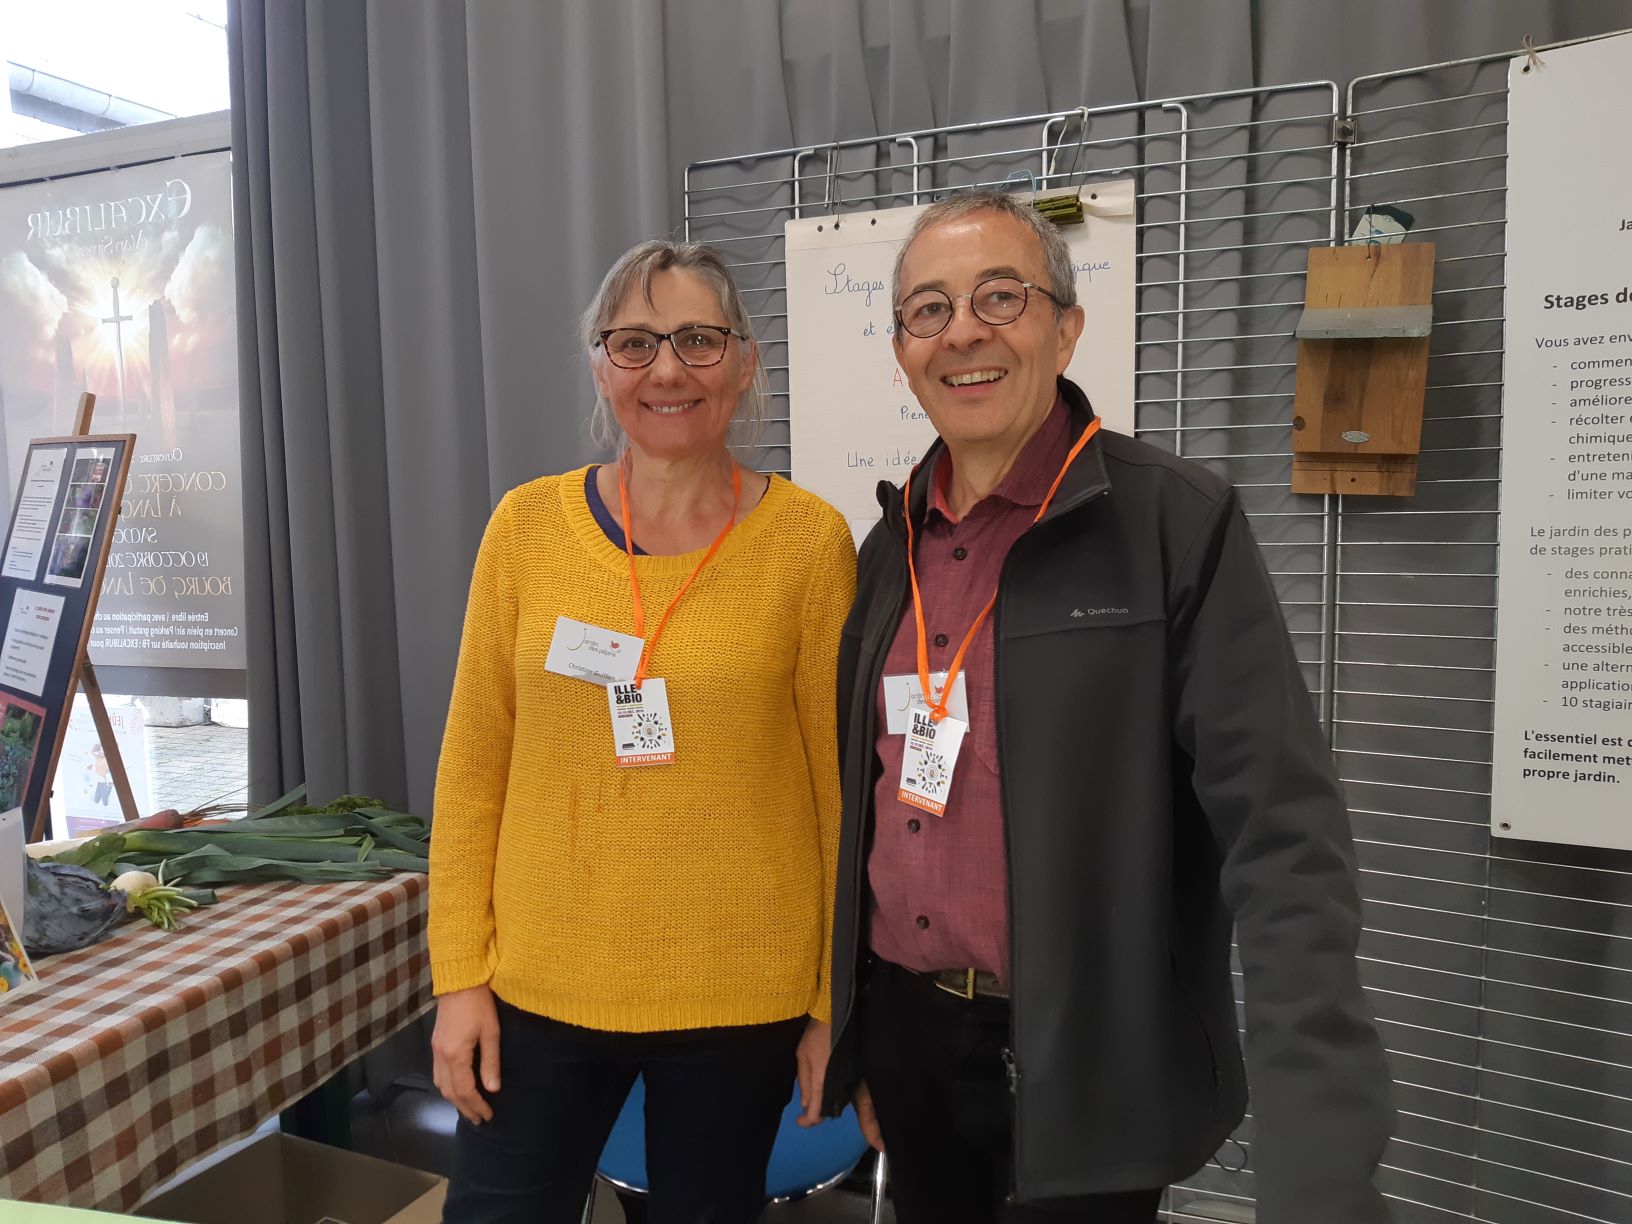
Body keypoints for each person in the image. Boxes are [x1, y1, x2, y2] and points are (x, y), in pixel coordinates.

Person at [819, 190, 1394, 1223]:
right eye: (929, 310)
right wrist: (857, 1030)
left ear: (1066, 327)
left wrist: (1322, 1159)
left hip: (1090, 1054)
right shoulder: (882, 553)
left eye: (1001, 295)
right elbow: (860, 807)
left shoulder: (1177, 524)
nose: (964, 333)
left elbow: (1287, 839)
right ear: (903, 349)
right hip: (909, 1046)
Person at [429, 239, 855, 1223]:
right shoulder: (526, 530)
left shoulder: (808, 545)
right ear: (599, 366)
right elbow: (471, 773)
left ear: (747, 364)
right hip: (537, 989)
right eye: (635, 342)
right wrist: (460, 979)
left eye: (699, 340)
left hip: (742, 996)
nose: (667, 369)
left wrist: (835, 1003)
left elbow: (841, 797)